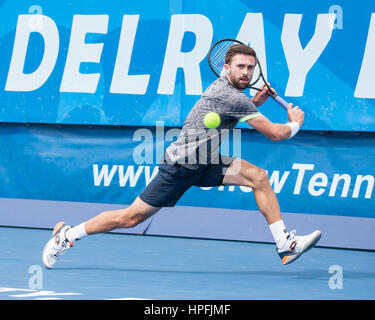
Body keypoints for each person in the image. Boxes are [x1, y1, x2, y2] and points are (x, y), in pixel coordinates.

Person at [42, 44, 321, 269]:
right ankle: (66, 235)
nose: (247, 72)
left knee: (258, 177)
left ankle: (284, 244)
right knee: (130, 218)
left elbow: (232, 113)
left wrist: (254, 103)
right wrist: (294, 122)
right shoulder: (233, 97)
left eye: (251, 67)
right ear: (226, 68)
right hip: (181, 166)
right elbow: (275, 133)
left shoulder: (235, 95)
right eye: (241, 67)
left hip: (208, 160)